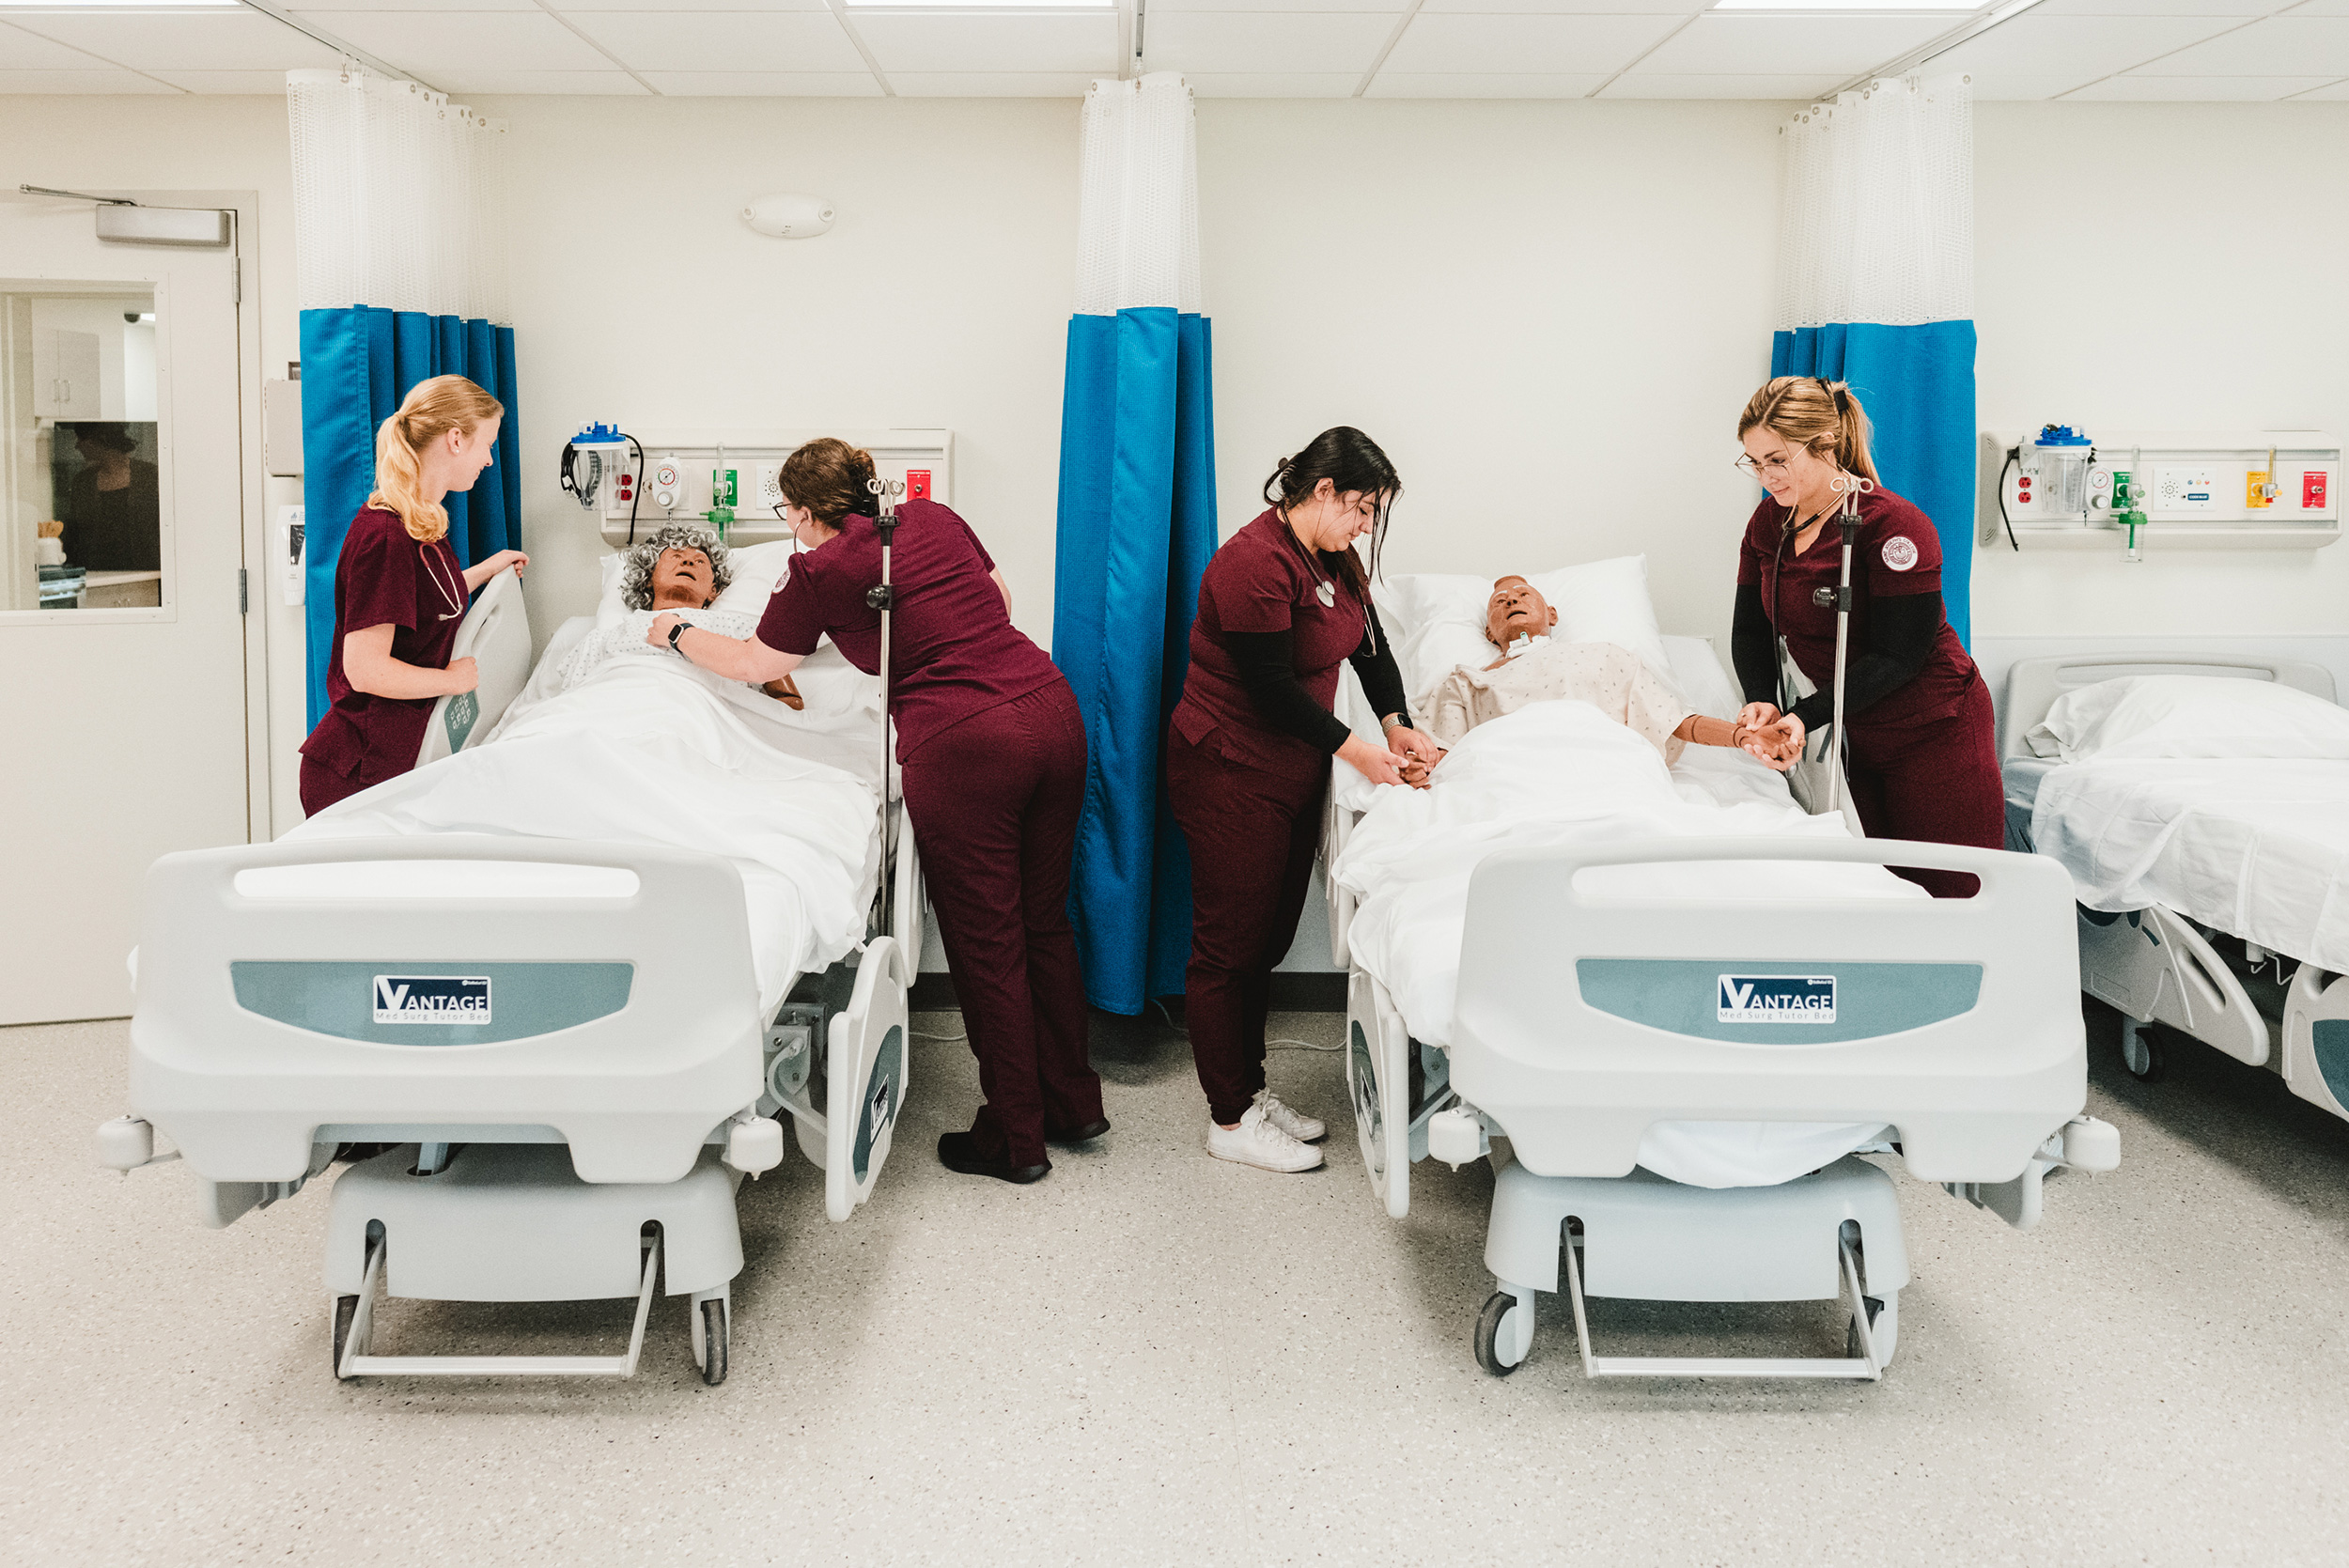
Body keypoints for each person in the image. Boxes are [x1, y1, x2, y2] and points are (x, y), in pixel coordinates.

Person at [651, 438, 1101, 1186]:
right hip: (1051, 711)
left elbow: (759, 663)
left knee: (989, 943)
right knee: (1043, 921)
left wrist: (676, 631)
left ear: (797, 512)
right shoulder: (932, 515)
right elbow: (1002, 601)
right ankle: (1074, 1102)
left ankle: (1016, 1138)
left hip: (965, 750)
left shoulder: (816, 571)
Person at [1165, 427, 1442, 1174]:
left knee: (1265, 936)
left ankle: (1249, 1091)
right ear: (1322, 490)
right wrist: (1362, 753)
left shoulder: (1332, 556)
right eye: (1361, 509)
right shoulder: (1250, 563)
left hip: (1288, 769)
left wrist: (1398, 723)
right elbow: (1272, 691)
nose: (1366, 526)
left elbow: (1369, 642)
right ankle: (1228, 1118)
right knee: (1228, 947)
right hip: (1227, 767)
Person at [1728, 376, 2001, 896]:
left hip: (1932, 726)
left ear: (1825, 445)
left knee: (1960, 891)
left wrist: (1805, 715)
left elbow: (1902, 655)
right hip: (1852, 731)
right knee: (1880, 892)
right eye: (1755, 461)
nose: (1766, 477)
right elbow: (1752, 627)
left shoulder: (1893, 526)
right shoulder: (1770, 523)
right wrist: (1762, 699)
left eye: (1778, 460)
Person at [297, 376, 526, 816]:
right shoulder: (385, 536)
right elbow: (365, 670)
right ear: (456, 440)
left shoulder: (418, 522)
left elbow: (424, 600)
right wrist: (452, 680)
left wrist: (487, 569)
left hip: (391, 757)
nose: (490, 461)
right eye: (487, 444)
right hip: (357, 772)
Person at [1417, 575, 1800, 766]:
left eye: (1523, 594)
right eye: (1499, 601)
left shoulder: (1606, 657)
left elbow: (1676, 720)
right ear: (1489, 631)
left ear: (1552, 614)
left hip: (1604, 771)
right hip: (1511, 780)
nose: (1512, 599)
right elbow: (1441, 757)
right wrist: (1420, 769)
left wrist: (1744, 738)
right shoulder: (1465, 682)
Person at [558, 525, 798, 707]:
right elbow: (573, 704)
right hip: (617, 712)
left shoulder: (740, 630)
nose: (687, 560)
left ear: (713, 591)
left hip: (697, 718)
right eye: (675, 556)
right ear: (649, 576)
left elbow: (789, 701)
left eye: (700, 561)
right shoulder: (603, 637)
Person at [55, 422, 160, 572]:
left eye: (80, 439)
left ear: (97, 441)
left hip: (145, 572)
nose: (77, 446)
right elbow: (74, 534)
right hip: (97, 573)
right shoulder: (83, 481)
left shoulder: (149, 475)